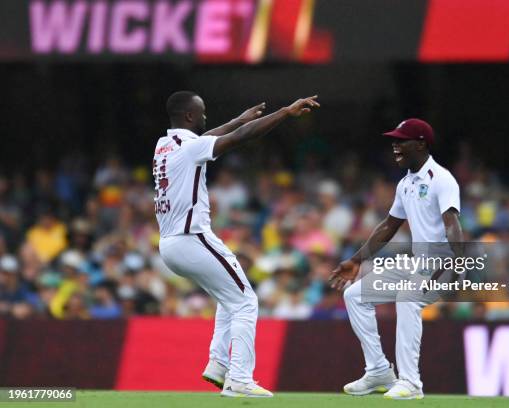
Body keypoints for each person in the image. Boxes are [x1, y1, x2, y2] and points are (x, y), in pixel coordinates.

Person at [154, 91, 319, 398]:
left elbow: (214, 135)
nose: (205, 118)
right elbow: (241, 137)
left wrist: (238, 119)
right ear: (190, 117)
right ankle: (240, 378)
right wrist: (285, 112)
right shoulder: (189, 148)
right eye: (202, 112)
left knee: (229, 297)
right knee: (245, 301)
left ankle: (218, 363)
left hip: (171, 244)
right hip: (192, 238)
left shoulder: (164, 145)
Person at [329, 119, 463, 400]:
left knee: (407, 298)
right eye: (395, 139)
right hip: (417, 263)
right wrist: (355, 260)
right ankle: (378, 370)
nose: (395, 145)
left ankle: (411, 383)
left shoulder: (441, 179)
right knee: (355, 295)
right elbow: (389, 226)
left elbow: (452, 224)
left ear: (422, 143)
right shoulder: (405, 183)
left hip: (442, 264)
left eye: (402, 140)